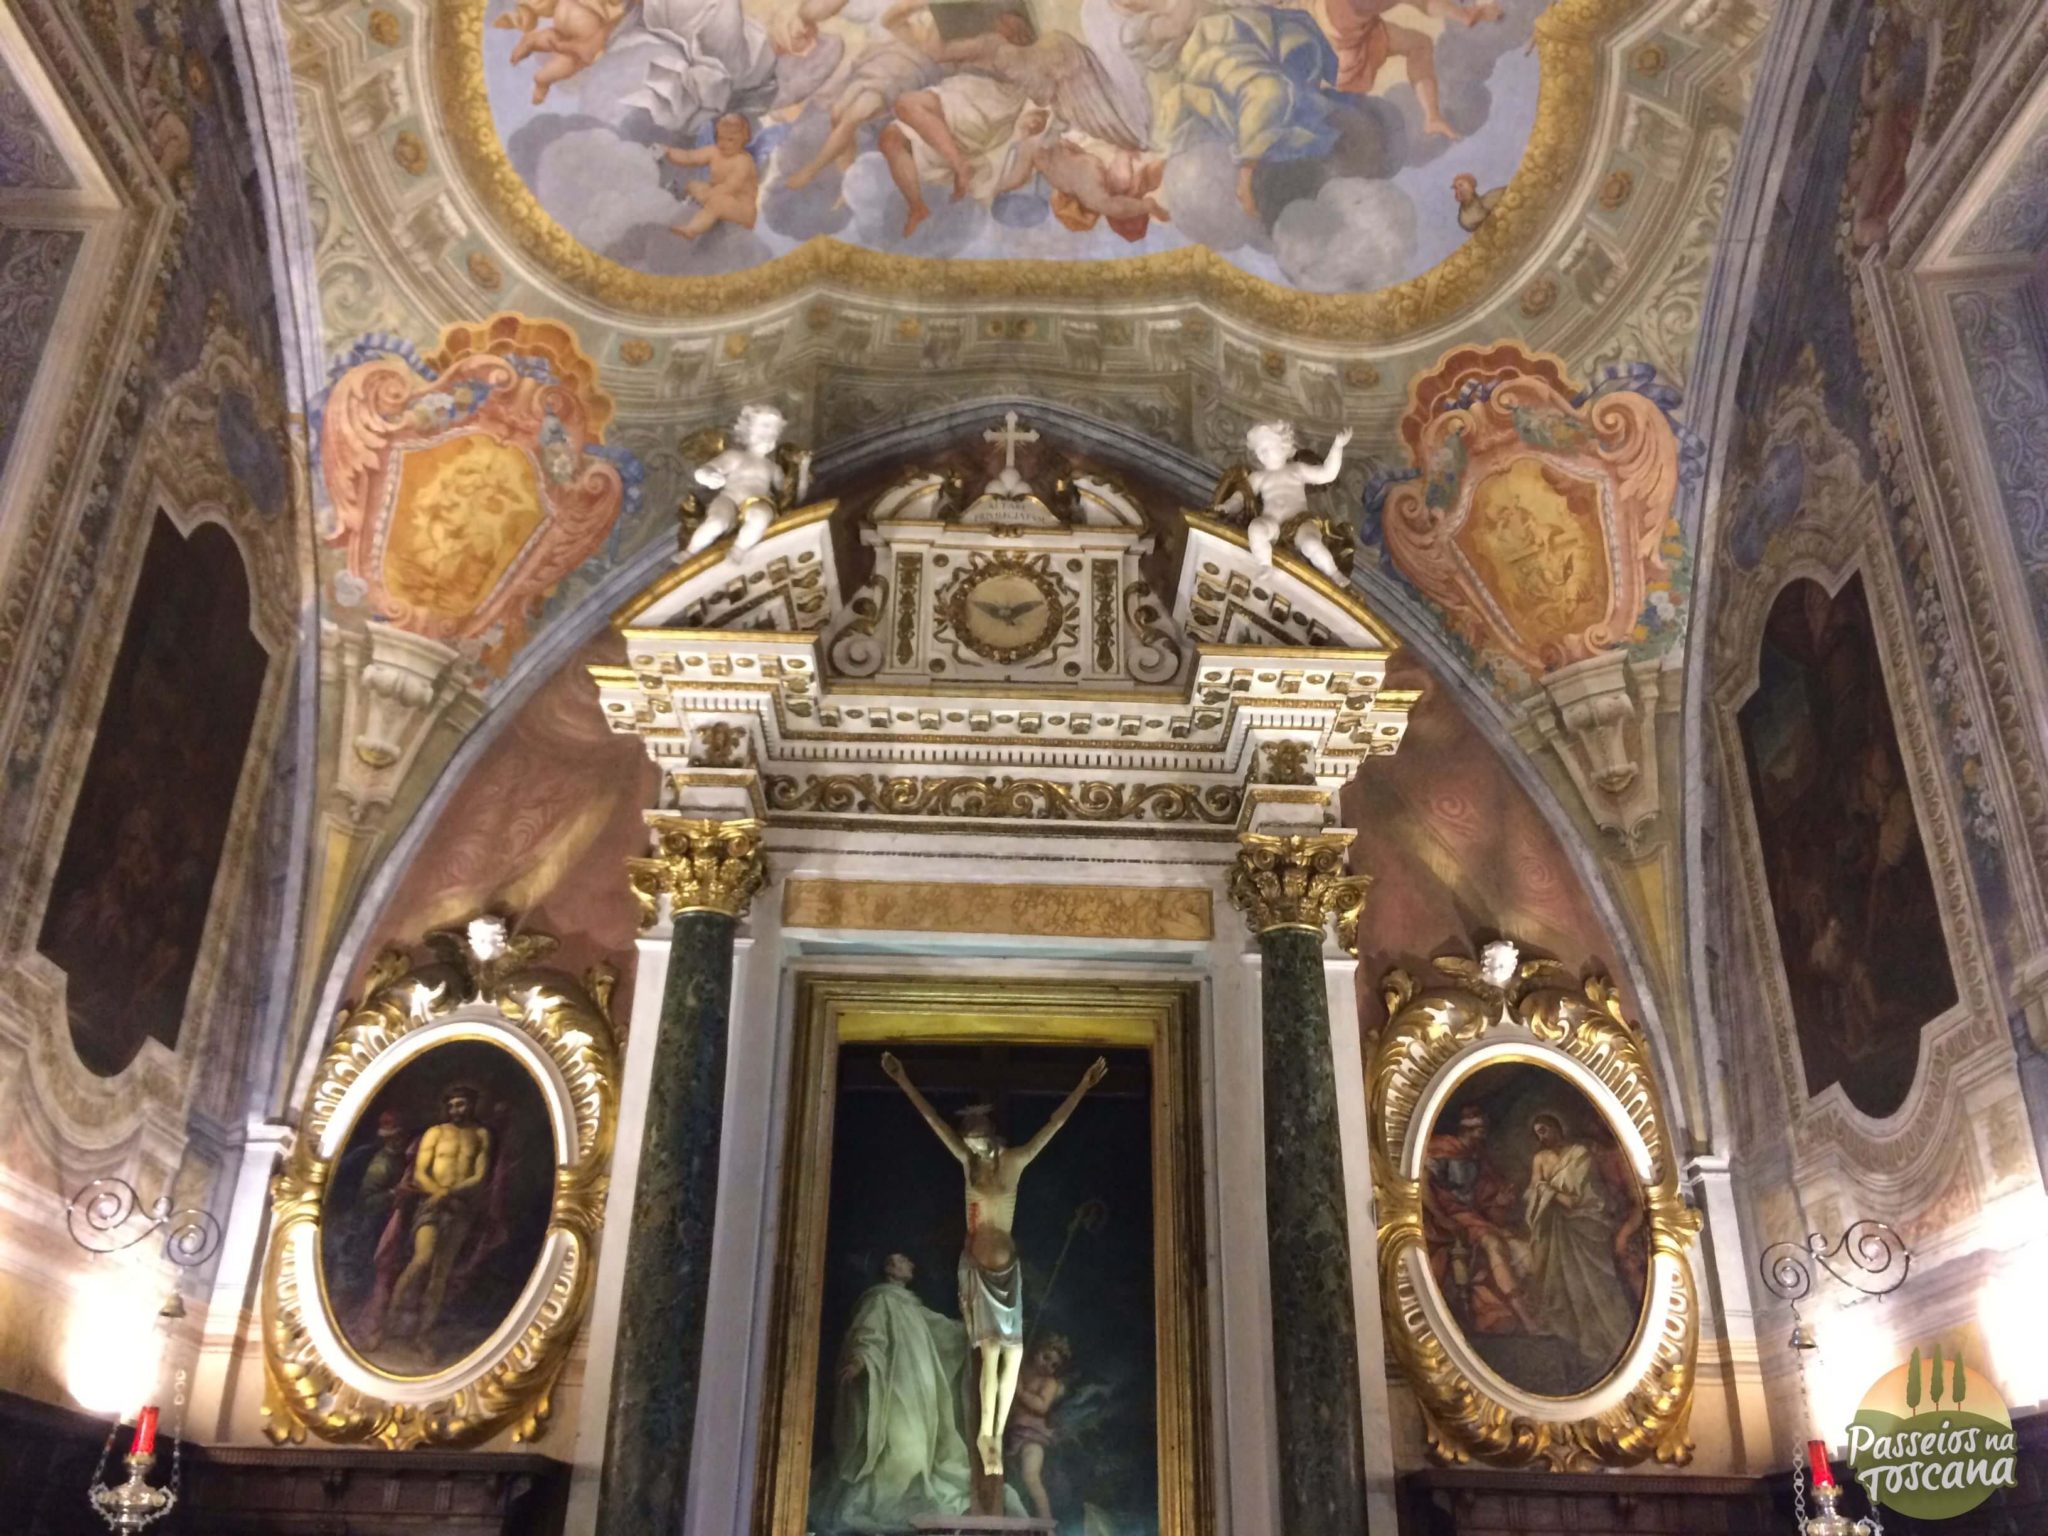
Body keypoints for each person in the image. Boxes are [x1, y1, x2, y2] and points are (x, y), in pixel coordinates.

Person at [880, 1052, 1107, 1478]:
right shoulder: (969, 1167)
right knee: (990, 1355)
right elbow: (935, 1124)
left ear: (990, 1135)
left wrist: (1084, 1086)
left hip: (1008, 1275)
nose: (974, 1148)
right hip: (980, 1274)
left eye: (978, 1140)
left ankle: (996, 1433)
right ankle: (988, 1436)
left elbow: (1052, 1127)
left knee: (1014, 1355)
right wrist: (903, 1080)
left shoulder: (1014, 1163)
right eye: (969, 1142)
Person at [809, 1252, 976, 1531]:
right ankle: (888, 1509)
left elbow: (945, 1332)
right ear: (889, 1267)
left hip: (920, 1391)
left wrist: (974, 1329)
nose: (910, 1264)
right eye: (903, 1260)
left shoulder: (911, 1306)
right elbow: (868, 1333)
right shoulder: (880, 1300)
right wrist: (860, 1359)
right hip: (894, 1388)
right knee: (903, 1449)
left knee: (919, 1449)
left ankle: (905, 1506)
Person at [366, 1081, 492, 1350]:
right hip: (430, 1204)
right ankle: (388, 1324)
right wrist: (438, 1194)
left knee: (441, 1273)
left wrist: (448, 1193)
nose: (456, 1110)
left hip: (459, 1207)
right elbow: (421, 1172)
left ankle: (423, 1334)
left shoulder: (481, 1134)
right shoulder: (435, 1133)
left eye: (461, 1104)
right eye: (452, 1105)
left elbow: (480, 1176)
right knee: (422, 1259)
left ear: (471, 1105)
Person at [1521, 1113, 1640, 1373]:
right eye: (1538, 1132)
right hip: (1554, 1225)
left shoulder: (1579, 1153)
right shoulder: (1540, 1158)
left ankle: (1610, 1340)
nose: (1542, 1136)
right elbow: (1533, 1188)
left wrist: (1549, 1191)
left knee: (1594, 1282)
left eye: (1545, 1129)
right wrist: (1545, 1193)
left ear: (1557, 1127)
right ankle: (1576, 1344)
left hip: (1585, 1221)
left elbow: (1579, 1193)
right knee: (1560, 1283)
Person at [1423, 1105, 1538, 1335]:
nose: (1483, 1132)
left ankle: (1524, 1311)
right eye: (1479, 1128)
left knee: (1522, 1247)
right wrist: (1441, 1217)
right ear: (1466, 1129)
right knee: (1494, 1244)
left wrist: (1499, 1202)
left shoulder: (1478, 1159)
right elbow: (1421, 1186)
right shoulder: (1442, 1148)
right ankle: (1526, 1318)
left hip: (1471, 1219)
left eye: (1484, 1128)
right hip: (1445, 1218)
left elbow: (1487, 1208)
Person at [1321, 0, 1502, 138]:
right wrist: (1464, 15)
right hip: (1345, 49)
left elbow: (1427, 3)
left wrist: (1464, 15)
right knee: (1419, 45)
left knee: (1420, 44)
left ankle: (1432, 117)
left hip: (1353, 34)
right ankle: (1432, 117)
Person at [1217, 420, 1352, 578]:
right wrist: (1227, 506)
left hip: (1300, 521)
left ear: (1283, 447)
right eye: (1259, 451)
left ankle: (1334, 573)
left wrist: (1337, 447)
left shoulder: (1297, 469)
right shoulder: (1258, 477)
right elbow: (1240, 497)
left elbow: (1327, 474)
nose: (1262, 454)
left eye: (1267, 448)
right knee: (1256, 529)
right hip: (1272, 521)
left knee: (1311, 543)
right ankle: (1265, 563)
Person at [686, 403, 805, 554]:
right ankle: (690, 552)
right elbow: (708, 469)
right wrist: (707, 476)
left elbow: (790, 495)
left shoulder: (773, 468)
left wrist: (803, 468)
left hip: (759, 502)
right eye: (765, 426)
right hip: (729, 498)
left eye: (774, 430)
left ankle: (739, 549)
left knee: (759, 517)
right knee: (716, 523)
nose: (770, 433)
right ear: (748, 429)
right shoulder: (735, 456)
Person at [1005, 1334, 1074, 1522]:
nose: (1048, 1365)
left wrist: (1021, 1393)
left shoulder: (1049, 1383)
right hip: (1013, 1436)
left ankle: (1046, 1521)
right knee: (1012, 1481)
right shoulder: (1020, 1371)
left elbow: (1041, 1405)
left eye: (1054, 1365)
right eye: (1046, 1357)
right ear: (1036, 1351)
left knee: (1031, 1477)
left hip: (1033, 1438)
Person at [661, 112, 761, 238]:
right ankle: (685, 206)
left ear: (743, 139)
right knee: (693, 185)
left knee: (717, 202)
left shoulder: (743, 162)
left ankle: (691, 230)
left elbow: (731, 186)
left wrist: (709, 194)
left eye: (730, 140)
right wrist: (669, 152)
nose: (723, 144)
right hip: (718, 194)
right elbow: (689, 157)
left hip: (742, 210)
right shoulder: (715, 151)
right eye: (720, 138)